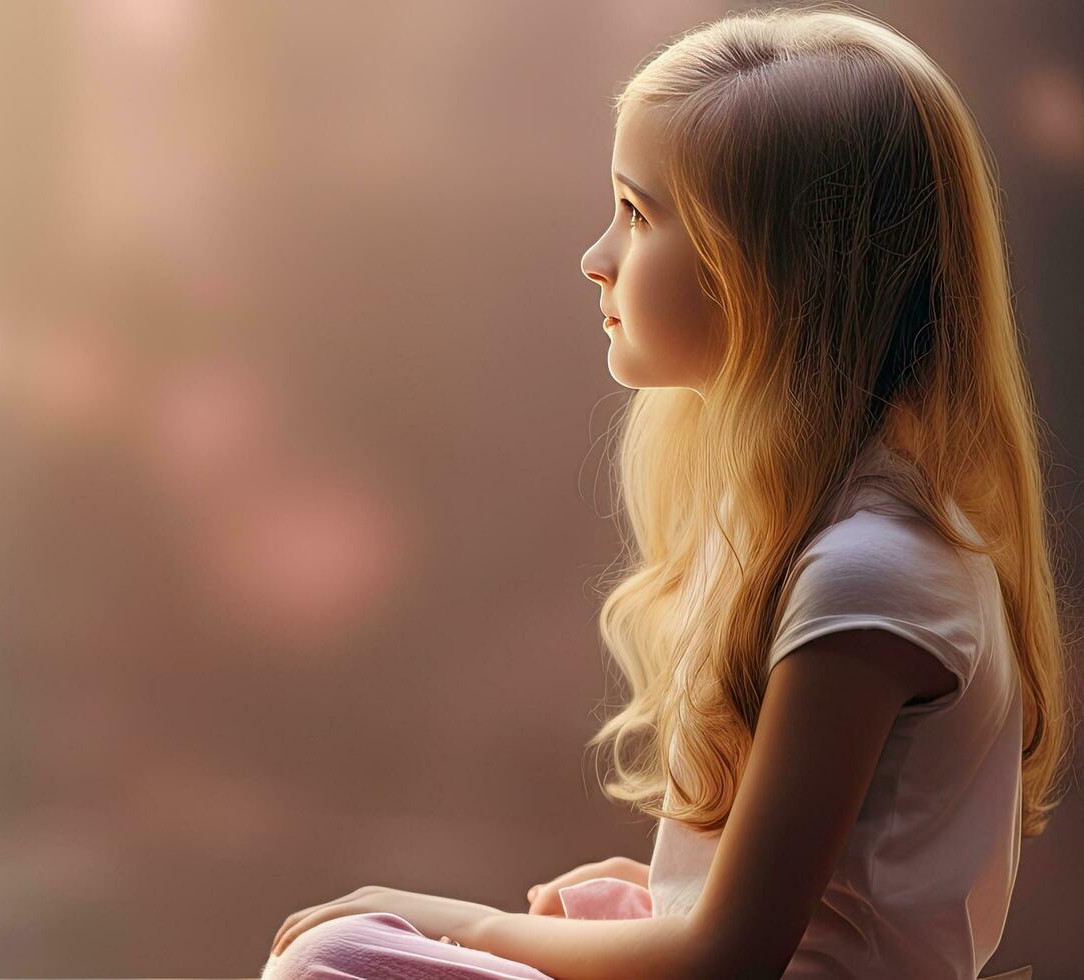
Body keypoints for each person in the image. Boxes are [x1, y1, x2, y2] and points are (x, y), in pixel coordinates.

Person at [263, 7, 1068, 978]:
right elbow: (781, 906)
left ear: (769, 270)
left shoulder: (867, 570)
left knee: (334, 954)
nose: (594, 256)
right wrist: (659, 892)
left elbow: (730, 951)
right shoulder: (825, 529)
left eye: (638, 215)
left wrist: (443, 919)